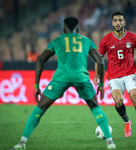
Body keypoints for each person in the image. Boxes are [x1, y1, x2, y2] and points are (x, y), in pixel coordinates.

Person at [10, 17, 116, 150]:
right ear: (77, 29)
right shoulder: (87, 41)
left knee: (40, 108)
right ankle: (110, 142)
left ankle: (21, 143)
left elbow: (41, 60)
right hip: (81, 77)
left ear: (64, 29)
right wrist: (100, 84)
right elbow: (100, 61)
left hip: (61, 78)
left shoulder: (57, 41)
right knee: (95, 107)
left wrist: (36, 86)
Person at [94, 12, 136, 139]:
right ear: (112, 23)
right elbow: (99, 59)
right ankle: (127, 121)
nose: (118, 23)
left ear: (124, 22)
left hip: (130, 73)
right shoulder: (106, 40)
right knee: (118, 102)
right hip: (113, 75)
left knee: (135, 98)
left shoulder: (133, 37)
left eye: (120, 20)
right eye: (115, 20)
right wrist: (97, 75)